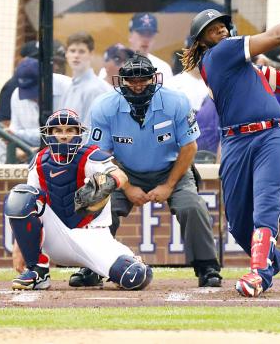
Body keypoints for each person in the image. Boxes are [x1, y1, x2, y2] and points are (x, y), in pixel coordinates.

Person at [180, 3, 280, 296]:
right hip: (236, 141)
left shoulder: (244, 68)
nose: (221, 30)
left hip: (270, 135)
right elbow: (275, 36)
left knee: (265, 205)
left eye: (223, 26)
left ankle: (259, 274)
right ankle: (273, 258)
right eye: (213, 30)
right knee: (238, 224)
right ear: (201, 41)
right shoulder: (220, 54)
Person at [89, 54, 223, 288]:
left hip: (171, 168)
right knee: (100, 207)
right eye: (132, 80)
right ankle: (91, 268)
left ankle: (207, 267)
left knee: (192, 206)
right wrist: (127, 187)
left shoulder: (177, 101)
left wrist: (169, 185)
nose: (138, 86)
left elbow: (190, 147)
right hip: (122, 170)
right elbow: (100, 155)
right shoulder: (104, 106)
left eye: (144, 79)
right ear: (121, 81)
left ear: (155, 79)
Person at [4, 109, 153, 292]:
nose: (64, 136)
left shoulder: (90, 155)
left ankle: (95, 271)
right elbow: (28, 202)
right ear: (49, 134)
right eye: (58, 130)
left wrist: (108, 182)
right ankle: (38, 271)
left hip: (92, 236)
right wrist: (19, 247)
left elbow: (120, 175)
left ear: (78, 133)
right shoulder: (40, 160)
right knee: (21, 195)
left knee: (135, 276)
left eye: (69, 130)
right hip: (56, 235)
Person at [8, 57, 71, 149]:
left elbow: (67, 133)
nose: (33, 98)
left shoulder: (69, 88)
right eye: (27, 92)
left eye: (35, 91)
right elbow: (14, 132)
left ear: (45, 79)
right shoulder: (16, 95)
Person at [58, 32, 109, 126]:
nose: (76, 56)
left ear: (91, 54)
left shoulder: (95, 89)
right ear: (66, 54)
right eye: (72, 51)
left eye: (81, 51)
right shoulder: (68, 87)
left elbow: (91, 131)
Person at [126, 12, 173, 84]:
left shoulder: (163, 68)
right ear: (130, 36)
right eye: (141, 33)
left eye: (150, 34)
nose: (146, 39)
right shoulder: (116, 66)